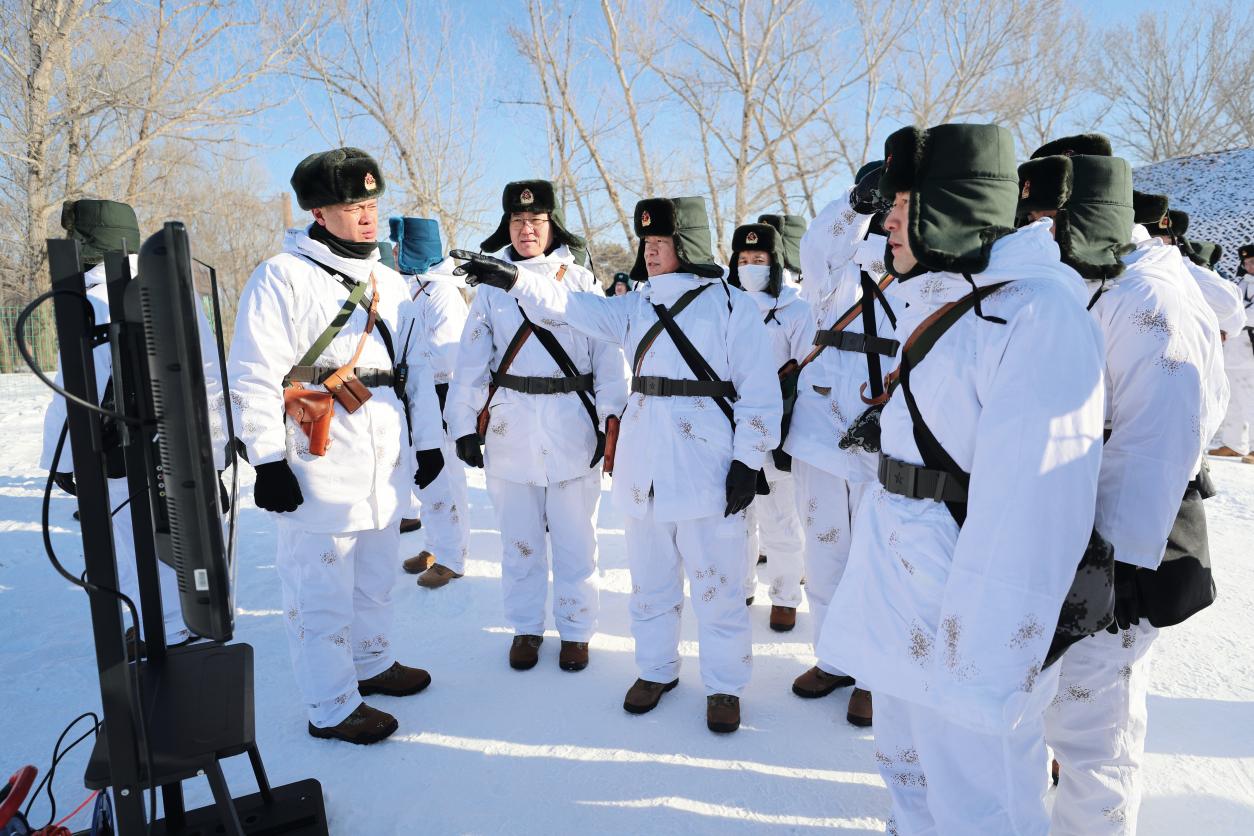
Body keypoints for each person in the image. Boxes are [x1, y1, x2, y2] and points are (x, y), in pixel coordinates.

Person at [818, 123, 1105, 833]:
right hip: (902, 582)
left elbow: (1034, 515)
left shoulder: (1038, 311)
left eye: (903, 203)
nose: (888, 220)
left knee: (979, 799)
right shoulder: (940, 290)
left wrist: (986, 664)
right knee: (908, 769)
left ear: (950, 204)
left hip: (967, 610)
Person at [451, 195, 782, 734]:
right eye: (646, 243)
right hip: (643, 463)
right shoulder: (637, 305)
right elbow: (569, 306)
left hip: (706, 466)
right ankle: (655, 669)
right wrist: (514, 280)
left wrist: (748, 460)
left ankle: (724, 685)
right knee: (650, 580)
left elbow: (760, 395)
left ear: (688, 245)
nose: (649, 252)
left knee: (717, 584)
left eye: (661, 242)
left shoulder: (732, 307)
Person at [1017, 134, 1227, 835]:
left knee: (1097, 732)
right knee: (1059, 711)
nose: (1035, 233)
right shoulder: (1093, 275)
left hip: (1115, 554)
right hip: (1067, 533)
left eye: (1044, 218)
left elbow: (1161, 439)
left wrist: (1107, 563)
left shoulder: (1146, 293)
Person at [228, 147, 445, 745]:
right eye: (353, 206)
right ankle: (330, 704)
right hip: (317, 460)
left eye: (372, 203)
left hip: (383, 458)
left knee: (374, 577)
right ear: (319, 213)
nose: (368, 216)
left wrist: (428, 445)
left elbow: (416, 371)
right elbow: (252, 373)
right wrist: (267, 460)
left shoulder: (390, 281)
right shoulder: (282, 275)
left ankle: (372, 662)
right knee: (319, 590)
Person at [445, 180, 628, 674]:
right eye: (518, 221)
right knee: (519, 541)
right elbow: (470, 362)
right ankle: (526, 627)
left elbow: (608, 361)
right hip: (511, 429)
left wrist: (610, 421)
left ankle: (576, 628)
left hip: (573, 427)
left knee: (576, 541)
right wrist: (463, 425)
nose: (527, 229)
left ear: (553, 226)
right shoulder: (488, 290)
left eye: (537, 221)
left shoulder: (581, 282)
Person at [40, 199, 228, 654]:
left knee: (133, 543)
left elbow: (74, 389)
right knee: (179, 537)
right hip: (179, 443)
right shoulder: (173, 289)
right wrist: (216, 453)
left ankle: (163, 632)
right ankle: (186, 623)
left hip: (117, 451)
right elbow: (208, 376)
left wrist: (61, 462)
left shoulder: (87, 299)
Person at [786, 163, 897, 727]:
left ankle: (875, 674)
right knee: (825, 554)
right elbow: (816, 245)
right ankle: (833, 658)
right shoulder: (835, 265)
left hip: (890, 436)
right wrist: (853, 205)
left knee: (879, 559)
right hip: (821, 434)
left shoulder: (923, 267)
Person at [726, 222, 810, 631]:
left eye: (758, 259)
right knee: (736, 516)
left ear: (774, 263)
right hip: (731, 426)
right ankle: (741, 586)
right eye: (743, 260)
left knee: (780, 518)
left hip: (779, 428)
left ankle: (785, 594)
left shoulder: (796, 310)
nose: (750, 267)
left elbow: (807, 371)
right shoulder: (723, 304)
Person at [394, 216, 472, 587]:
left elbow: (448, 356)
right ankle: (435, 545)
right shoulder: (411, 287)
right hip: (417, 398)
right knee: (424, 479)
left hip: (441, 397)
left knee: (447, 480)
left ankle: (453, 557)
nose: (395, 251)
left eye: (401, 245)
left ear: (415, 250)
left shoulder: (441, 293)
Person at [1213, 243, 1254, 461]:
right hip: (1234, 350)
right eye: (1246, 262)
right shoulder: (1240, 283)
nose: (1249, 266)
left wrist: (1233, 318)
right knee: (1233, 400)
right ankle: (1234, 444)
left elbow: (1247, 315)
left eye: (1253, 262)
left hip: (1250, 351)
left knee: (1251, 401)